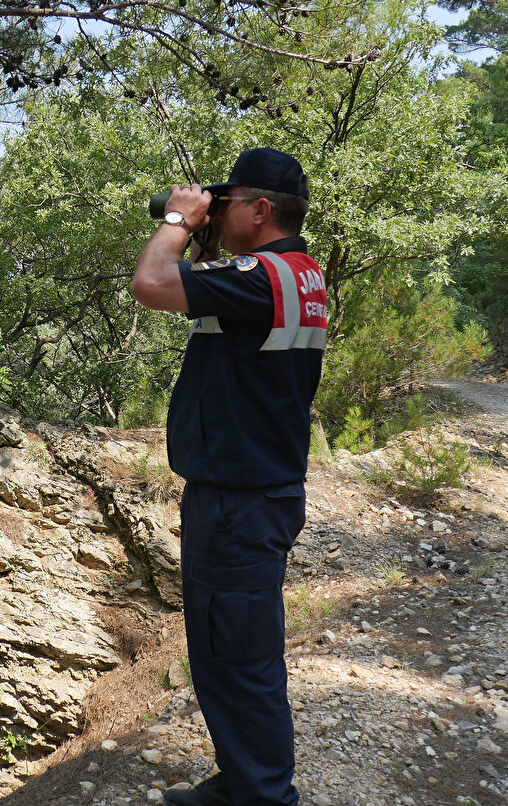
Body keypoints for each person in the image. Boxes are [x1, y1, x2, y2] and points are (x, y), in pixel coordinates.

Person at [130, 147, 327, 806]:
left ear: (261, 209)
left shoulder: (258, 277)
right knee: (225, 653)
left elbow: (151, 283)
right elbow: (214, 300)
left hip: (238, 505)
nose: (215, 209)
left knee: (240, 660)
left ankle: (264, 796)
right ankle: (242, 783)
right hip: (259, 493)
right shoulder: (299, 274)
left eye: (227, 201)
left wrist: (179, 221)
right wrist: (210, 234)